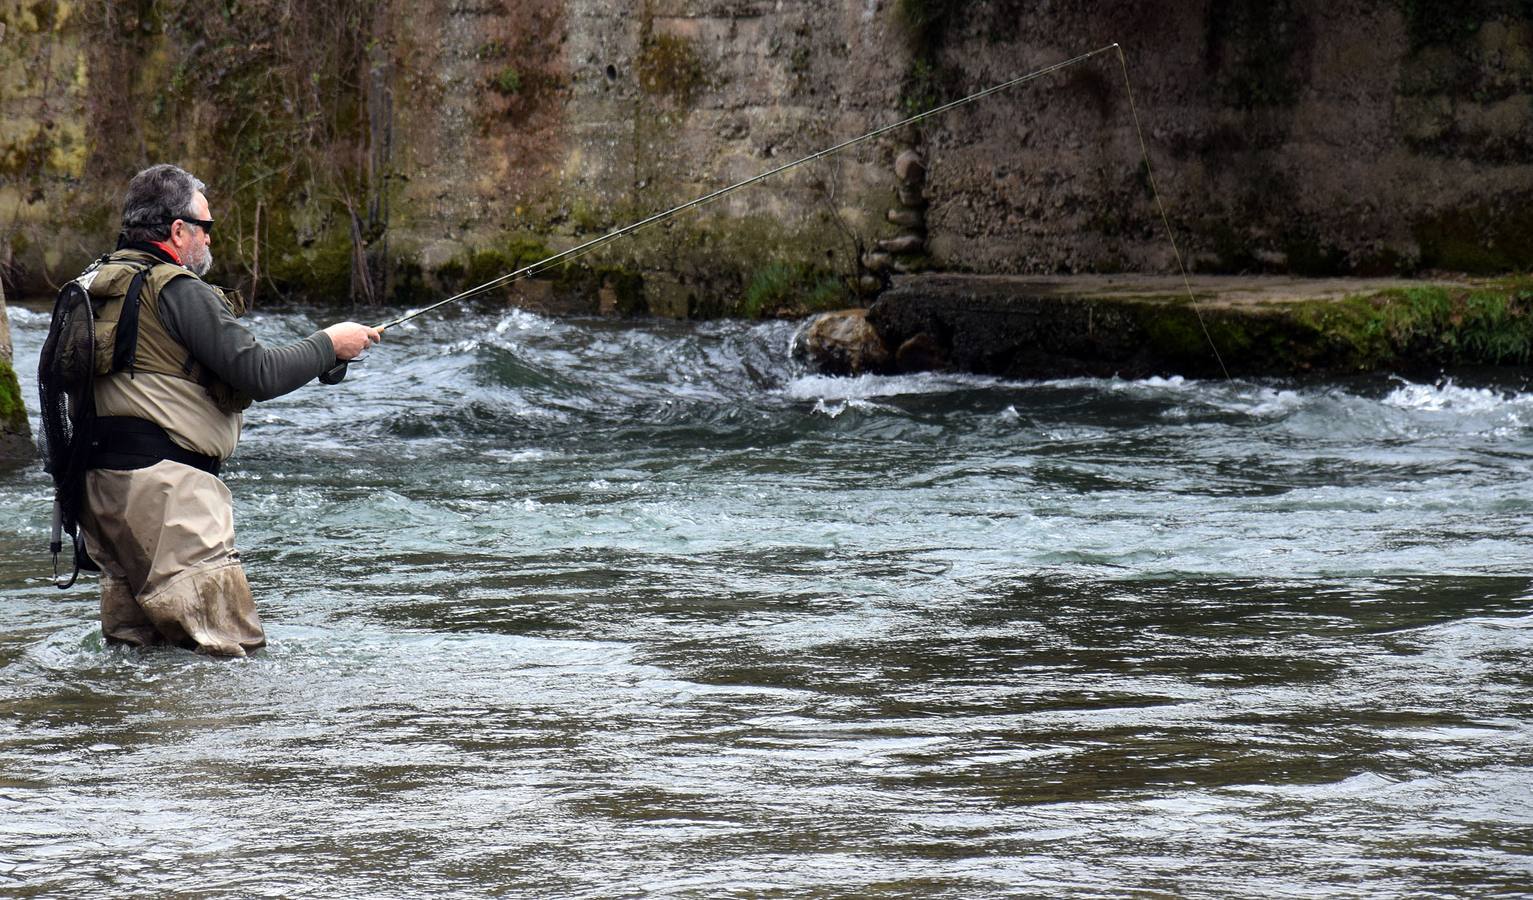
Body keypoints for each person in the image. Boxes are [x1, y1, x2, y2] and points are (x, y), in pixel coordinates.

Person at [77, 163, 378, 657]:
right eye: (207, 228)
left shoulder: (94, 285)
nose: (211, 241)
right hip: (169, 499)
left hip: (99, 497)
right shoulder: (176, 288)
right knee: (229, 659)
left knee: (140, 657)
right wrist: (330, 343)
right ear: (178, 230)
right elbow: (258, 372)